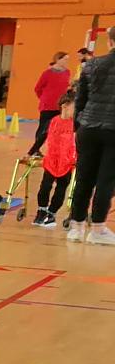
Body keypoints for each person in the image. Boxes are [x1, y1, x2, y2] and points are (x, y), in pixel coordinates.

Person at [66, 43, 115, 244]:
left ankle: (76, 227)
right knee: (106, 181)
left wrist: (78, 126)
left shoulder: (91, 65)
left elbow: (80, 99)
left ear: (110, 43)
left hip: (88, 129)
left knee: (83, 178)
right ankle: (97, 229)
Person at [33, 95, 76, 228]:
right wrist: (30, 153)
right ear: (65, 106)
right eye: (74, 107)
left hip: (67, 162)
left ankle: (52, 213)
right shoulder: (52, 121)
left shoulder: (76, 124)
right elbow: (41, 138)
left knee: (61, 189)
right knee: (45, 187)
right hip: (51, 160)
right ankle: (41, 210)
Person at [32, 51, 73, 155]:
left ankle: (56, 149)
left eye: (68, 60)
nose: (67, 62)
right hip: (48, 105)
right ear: (58, 60)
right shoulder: (47, 73)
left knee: (59, 128)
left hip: (61, 106)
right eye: (65, 59)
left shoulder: (67, 72)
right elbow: (38, 88)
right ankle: (35, 150)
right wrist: (44, 99)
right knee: (43, 128)